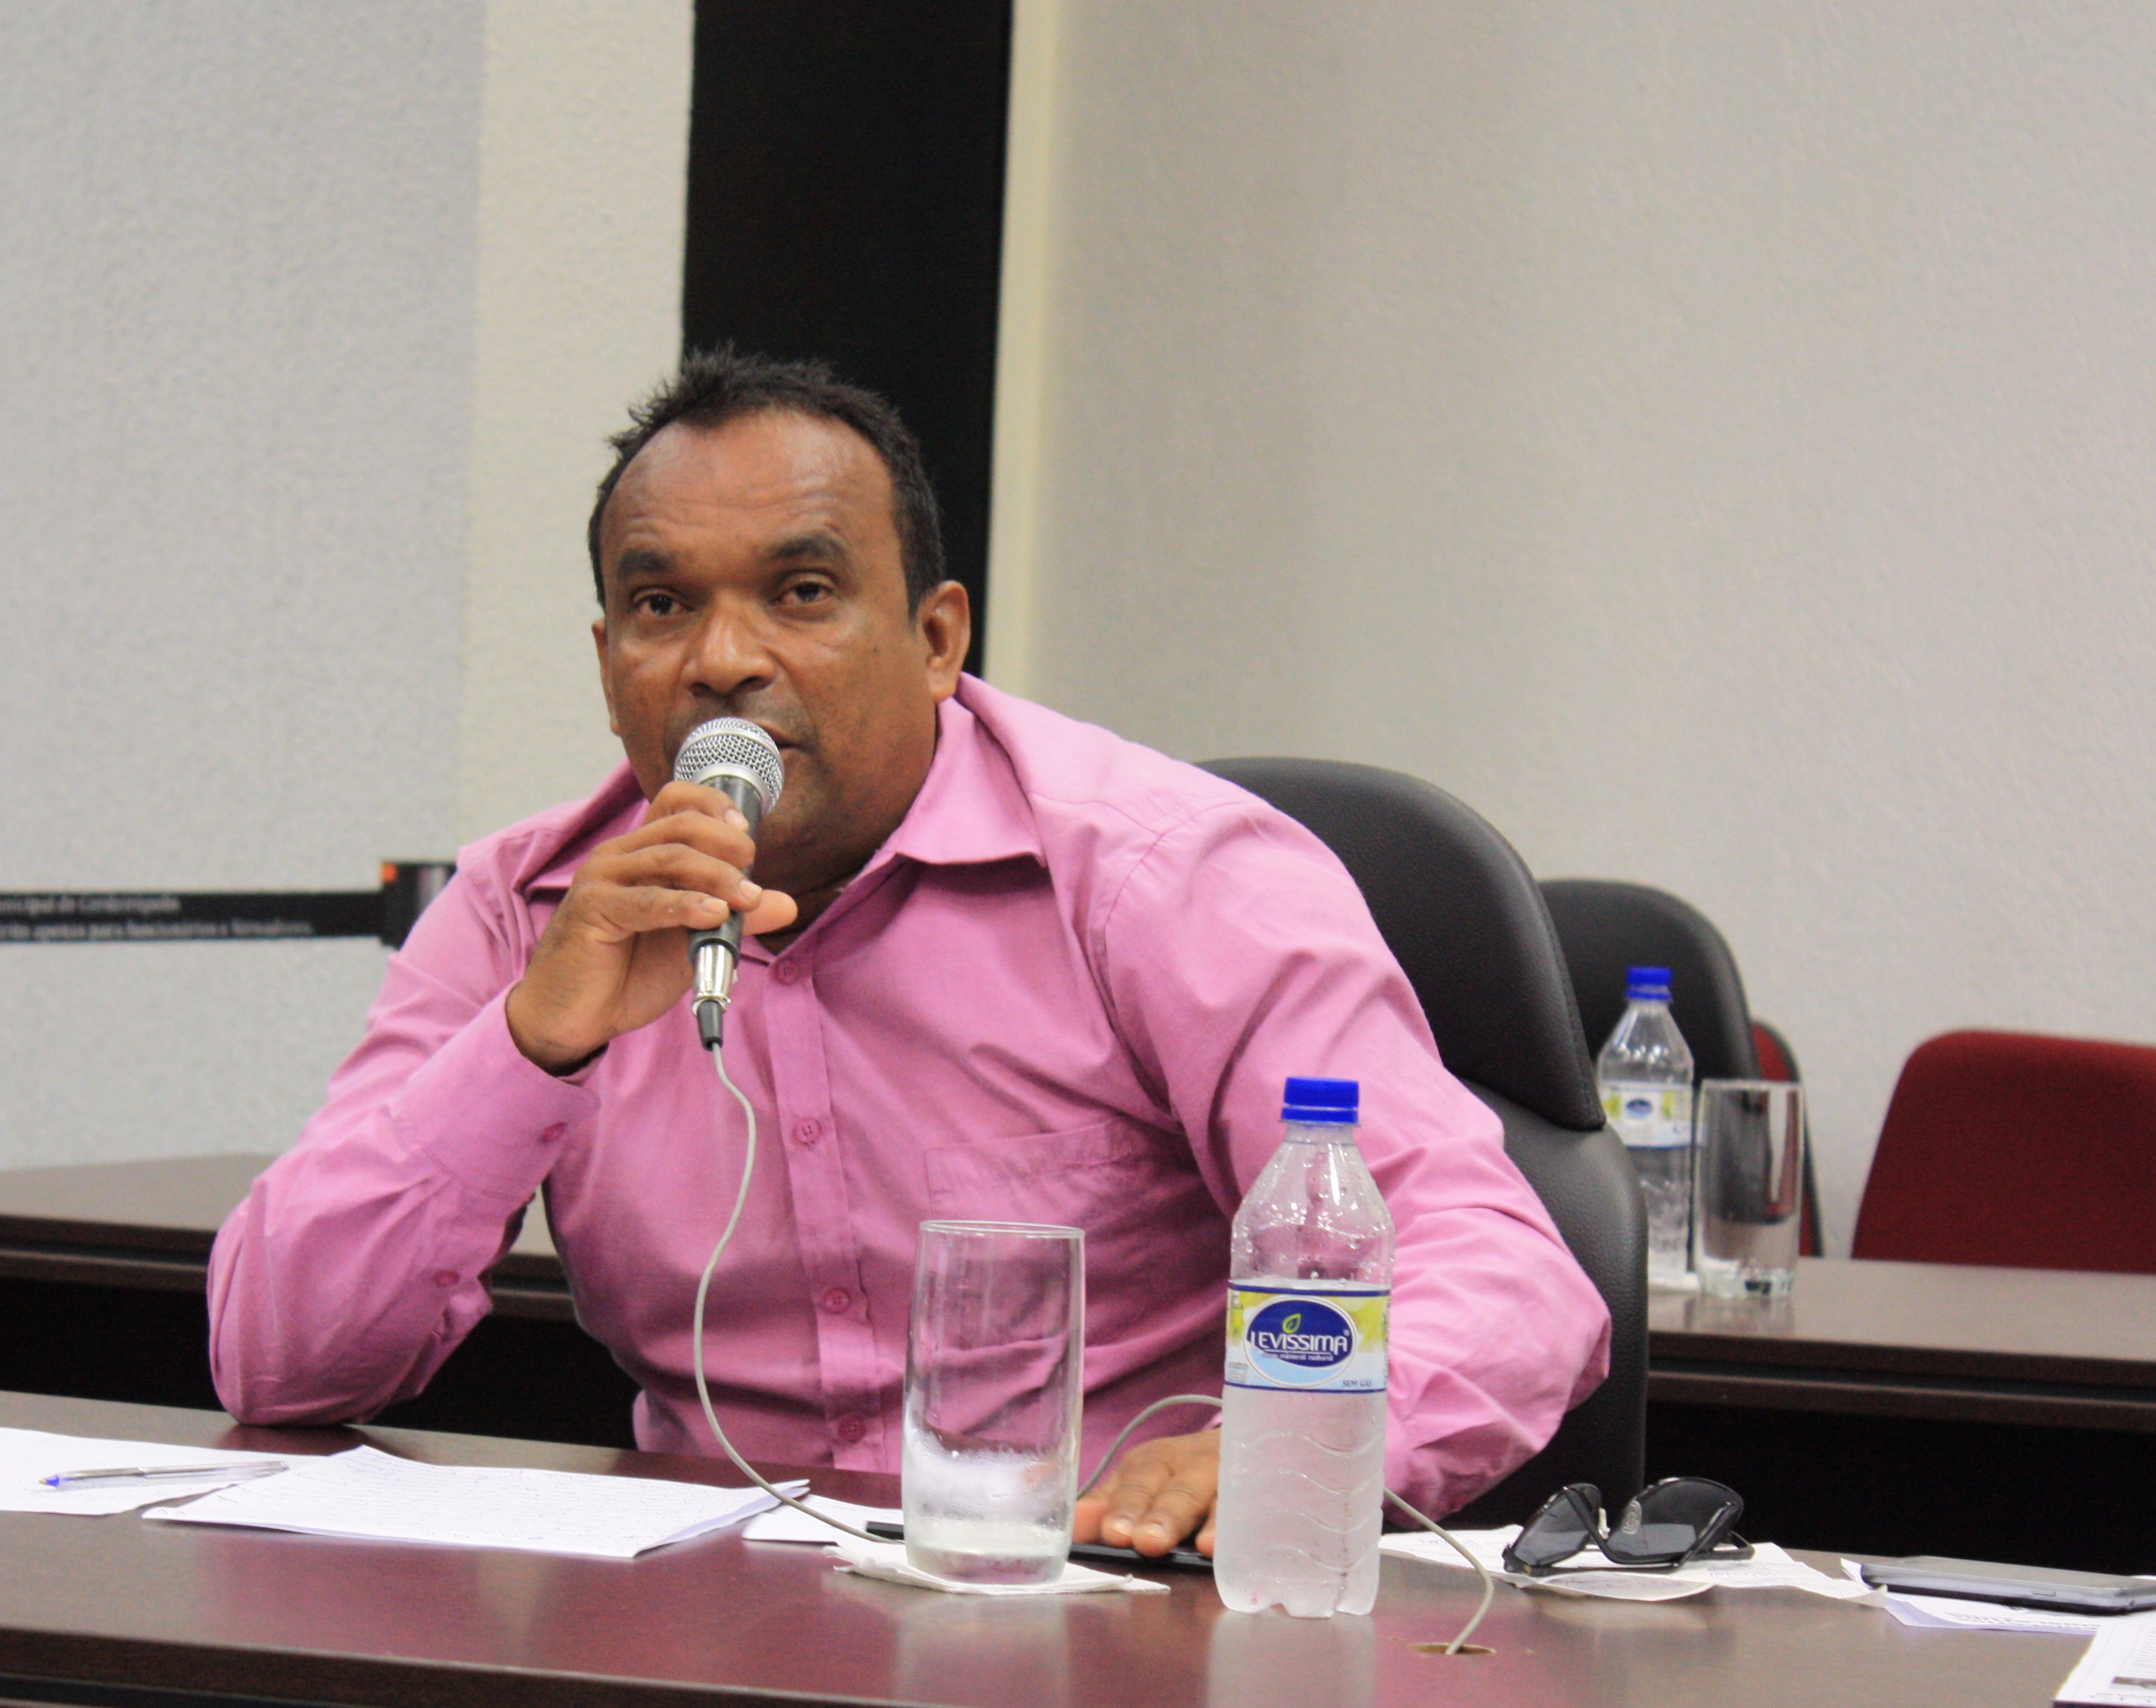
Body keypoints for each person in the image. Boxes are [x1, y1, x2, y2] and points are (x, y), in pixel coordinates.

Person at [209, 351, 1609, 1556]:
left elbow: (1505, 1276)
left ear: (938, 639)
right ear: (607, 660)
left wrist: (1292, 1447)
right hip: (706, 1631)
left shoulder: (1163, 876)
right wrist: (530, 1045)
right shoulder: (532, 910)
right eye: (661, 607)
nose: (722, 659)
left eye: (802, 592)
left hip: (1111, 1605)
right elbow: (278, 1361)